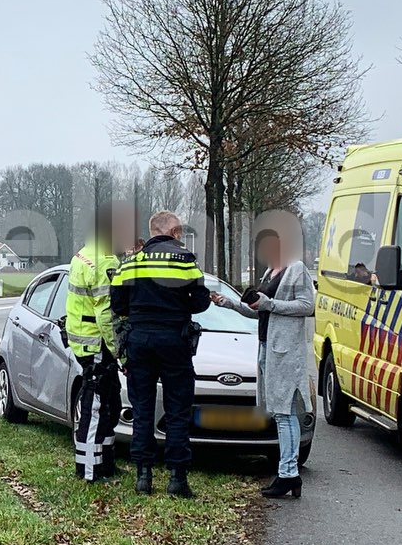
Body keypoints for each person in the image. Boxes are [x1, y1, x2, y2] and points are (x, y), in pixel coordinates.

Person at [110, 210, 211, 498]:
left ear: (152, 231)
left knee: (142, 410)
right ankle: (177, 479)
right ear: (175, 231)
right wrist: (176, 309)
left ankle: (143, 477)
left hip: (139, 340)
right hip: (174, 340)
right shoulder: (186, 261)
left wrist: (141, 313)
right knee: (177, 410)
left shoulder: (130, 263)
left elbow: (117, 305)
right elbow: (201, 302)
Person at [212, 230, 316, 499]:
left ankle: (288, 474)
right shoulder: (270, 272)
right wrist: (229, 303)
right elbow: (259, 310)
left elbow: (306, 306)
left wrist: (269, 302)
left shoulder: (296, 270)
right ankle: (287, 473)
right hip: (267, 348)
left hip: (286, 352)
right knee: (279, 412)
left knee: (285, 414)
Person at [66, 201, 135, 482]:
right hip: (97, 344)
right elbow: (105, 313)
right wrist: (119, 352)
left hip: (84, 342)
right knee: (96, 406)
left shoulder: (83, 254)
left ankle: (105, 462)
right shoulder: (105, 260)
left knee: (108, 402)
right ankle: (89, 470)